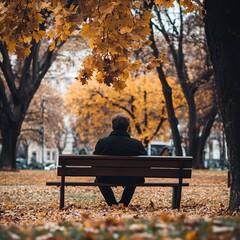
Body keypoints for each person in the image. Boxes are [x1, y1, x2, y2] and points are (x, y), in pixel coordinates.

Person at [93, 113, 147, 207]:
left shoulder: (102, 143)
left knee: (99, 179)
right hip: (130, 178)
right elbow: (146, 165)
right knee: (135, 177)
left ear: (112, 126)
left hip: (107, 178)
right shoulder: (136, 144)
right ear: (127, 127)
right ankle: (123, 203)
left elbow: (94, 164)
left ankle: (112, 203)